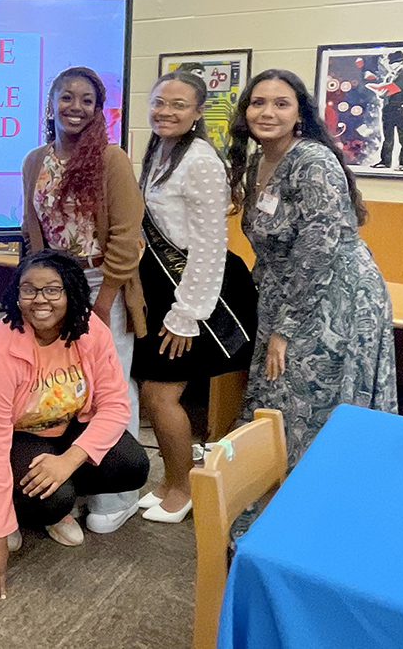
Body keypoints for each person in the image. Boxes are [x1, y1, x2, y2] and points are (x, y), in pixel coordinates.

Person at [228, 69, 397, 468]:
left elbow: (318, 248)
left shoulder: (312, 161)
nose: (267, 112)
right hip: (289, 293)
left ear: (299, 114)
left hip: (332, 296)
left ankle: (322, 503)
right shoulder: (259, 162)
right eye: (258, 102)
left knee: (311, 399)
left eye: (281, 104)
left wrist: (285, 327)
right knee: (279, 397)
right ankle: (277, 498)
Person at [0, 250, 149, 603]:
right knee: (53, 498)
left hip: (67, 429)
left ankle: (49, 494)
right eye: (29, 290)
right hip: (16, 436)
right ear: (16, 295)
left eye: (53, 290)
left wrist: (68, 462)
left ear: (70, 292)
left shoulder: (89, 328)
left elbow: (114, 405)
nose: (40, 300)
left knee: (133, 464)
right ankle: (26, 509)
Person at [20, 66, 145, 535]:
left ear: (98, 109)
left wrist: (104, 298)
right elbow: (34, 232)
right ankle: (68, 483)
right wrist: (33, 290)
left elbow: (126, 236)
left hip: (99, 283)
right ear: (51, 103)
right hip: (52, 286)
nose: (76, 107)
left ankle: (120, 493)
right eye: (66, 97)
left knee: (111, 382)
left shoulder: (112, 159)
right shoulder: (35, 160)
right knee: (61, 383)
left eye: (87, 100)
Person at [132, 71, 256, 524]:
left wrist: (186, 316)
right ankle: (170, 479)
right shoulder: (159, 148)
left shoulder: (201, 160)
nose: (166, 111)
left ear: (199, 112)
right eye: (160, 101)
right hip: (162, 286)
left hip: (194, 292)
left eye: (179, 105)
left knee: (162, 396)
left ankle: (183, 489)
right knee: (153, 392)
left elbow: (208, 246)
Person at [370, 50, 403, 171]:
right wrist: (382, 92)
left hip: (399, 108)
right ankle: (385, 161)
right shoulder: (391, 75)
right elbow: (384, 92)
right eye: (391, 63)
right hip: (388, 108)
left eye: (395, 62)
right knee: (388, 136)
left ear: (401, 61)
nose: (393, 65)